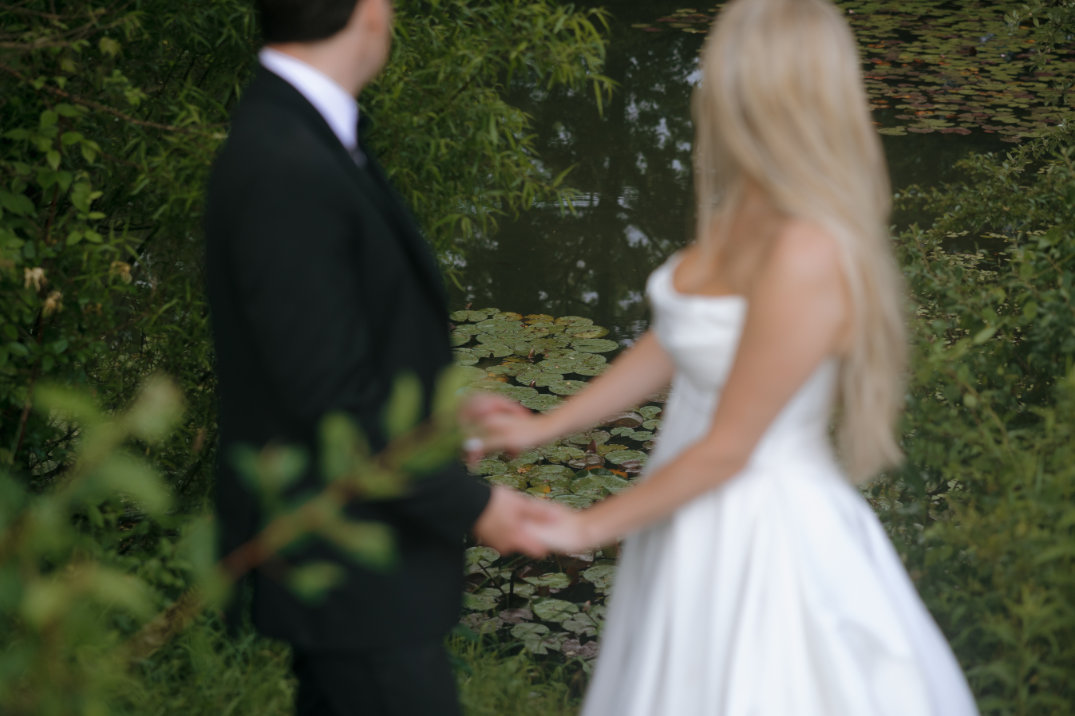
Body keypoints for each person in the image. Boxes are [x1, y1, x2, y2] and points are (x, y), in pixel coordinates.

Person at [467, 0, 980, 713]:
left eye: (719, 62)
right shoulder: (746, 211)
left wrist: (587, 526)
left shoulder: (808, 250)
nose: (705, 81)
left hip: (756, 533)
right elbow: (679, 338)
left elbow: (729, 448)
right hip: (686, 512)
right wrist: (541, 427)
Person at [204, 1, 556, 713]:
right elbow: (325, 400)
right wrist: (472, 505)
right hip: (351, 561)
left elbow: (318, 350)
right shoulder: (284, 161)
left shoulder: (308, 135)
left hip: (360, 563)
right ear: (367, 11)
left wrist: (435, 417)